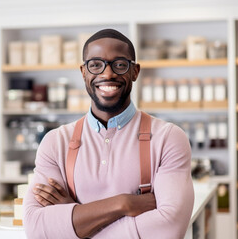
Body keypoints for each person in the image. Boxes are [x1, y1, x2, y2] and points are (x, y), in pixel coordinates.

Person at [23, 29, 194, 239]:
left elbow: (169, 228)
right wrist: (123, 203)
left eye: (120, 64)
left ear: (135, 71)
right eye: (95, 64)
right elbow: (35, 227)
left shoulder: (168, 138)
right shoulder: (55, 142)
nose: (107, 73)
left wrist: (74, 218)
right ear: (83, 71)